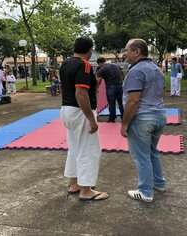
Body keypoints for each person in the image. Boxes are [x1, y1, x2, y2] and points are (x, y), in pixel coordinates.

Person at [59, 36, 108, 201]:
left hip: (66, 110)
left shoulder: (65, 63)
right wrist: (91, 119)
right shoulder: (84, 65)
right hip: (80, 112)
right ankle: (86, 190)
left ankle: (74, 184)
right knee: (88, 150)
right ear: (90, 50)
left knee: (74, 148)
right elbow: (81, 94)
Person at [121, 39, 166, 203]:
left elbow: (133, 101)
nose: (124, 54)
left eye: (126, 50)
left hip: (142, 119)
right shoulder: (157, 70)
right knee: (153, 151)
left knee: (141, 156)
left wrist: (124, 124)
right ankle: (159, 183)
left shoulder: (136, 71)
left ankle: (145, 191)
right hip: (159, 116)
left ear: (137, 51)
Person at [96, 57, 124, 122]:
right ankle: (124, 118)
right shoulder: (115, 65)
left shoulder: (102, 69)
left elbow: (98, 80)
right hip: (120, 86)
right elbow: (121, 72)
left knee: (111, 104)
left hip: (111, 87)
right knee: (121, 103)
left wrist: (97, 87)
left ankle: (112, 119)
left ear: (100, 63)